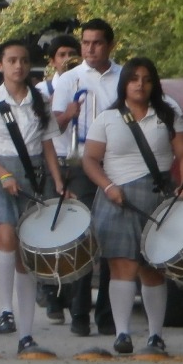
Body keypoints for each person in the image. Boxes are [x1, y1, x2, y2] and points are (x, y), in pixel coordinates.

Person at [82, 57, 183, 354]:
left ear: (154, 84)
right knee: (122, 265)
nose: (140, 84)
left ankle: (155, 335)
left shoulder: (168, 115)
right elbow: (90, 159)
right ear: (125, 84)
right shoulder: (107, 118)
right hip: (116, 196)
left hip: (158, 196)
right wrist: (108, 186)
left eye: (146, 79)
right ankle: (122, 334)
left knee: (154, 268)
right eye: (134, 79)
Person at [0, 40, 67, 354]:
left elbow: (48, 145)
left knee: (27, 253)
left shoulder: (41, 100)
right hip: (0, 176)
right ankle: (5, 309)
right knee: (5, 236)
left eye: (24, 60)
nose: (18, 66)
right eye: (11, 60)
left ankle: (26, 332)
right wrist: (3, 174)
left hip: (34, 177)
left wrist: (57, 181)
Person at [51, 19, 122, 336]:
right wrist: (68, 114)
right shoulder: (69, 79)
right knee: (81, 236)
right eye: (86, 42)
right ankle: (79, 311)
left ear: (110, 45)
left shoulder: (123, 76)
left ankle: (106, 314)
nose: (90, 48)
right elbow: (54, 127)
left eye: (97, 43)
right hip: (79, 164)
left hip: (115, 164)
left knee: (109, 239)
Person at [38, 33, 82, 322]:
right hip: (54, 162)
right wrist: (66, 113)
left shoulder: (86, 84)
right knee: (51, 230)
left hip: (81, 164)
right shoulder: (42, 90)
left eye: (71, 54)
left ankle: (75, 298)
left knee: (77, 231)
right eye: (62, 55)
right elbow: (45, 129)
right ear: (52, 61)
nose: (67, 60)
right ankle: (51, 294)